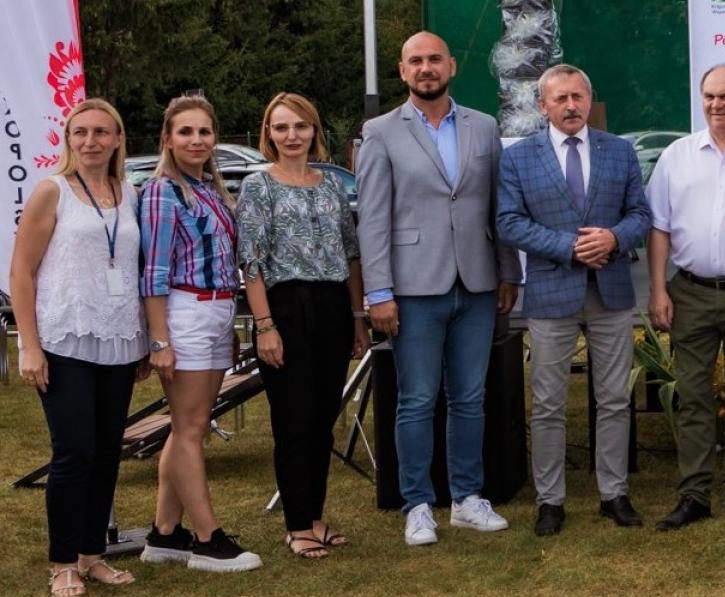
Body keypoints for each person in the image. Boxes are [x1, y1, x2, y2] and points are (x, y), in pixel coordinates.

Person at [357, 31, 522, 546]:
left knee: (470, 397)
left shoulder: (484, 126)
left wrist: (507, 271)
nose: (426, 68)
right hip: (412, 287)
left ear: (451, 65)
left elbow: (500, 207)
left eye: (434, 59)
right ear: (403, 71)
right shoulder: (381, 131)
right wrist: (378, 291)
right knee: (417, 399)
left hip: (475, 283)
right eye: (415, 61)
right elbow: (373, 220)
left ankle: (469, 498)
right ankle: (418, 504)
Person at [496, 64, 652, 537]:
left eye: (578, 97)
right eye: (560, 98)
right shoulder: (519, 158)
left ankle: (614, 493)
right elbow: (509, 222)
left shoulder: (620, 151)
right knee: (546, 403)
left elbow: (641, 215)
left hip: (611, 291)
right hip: (550, 291)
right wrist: (569, 246)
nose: (570, 106)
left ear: (589, 100)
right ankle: (551, 500)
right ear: (542, 105)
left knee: (613, 398)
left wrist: (611, 237)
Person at [13, 99, 146, 597]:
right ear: (68, 139)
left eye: (101, 133)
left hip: (117, 338)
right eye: (80, 132)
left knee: (108, 452)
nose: (90, 141)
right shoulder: (52, 191)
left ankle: (93, 553)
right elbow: (21, 273)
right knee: (74, 451)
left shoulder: (127, 192)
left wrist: (140, 340)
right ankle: (62, 560)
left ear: (117, 139)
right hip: (65, 336)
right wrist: (30, 346)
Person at [236, 93, 370, 559]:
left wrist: (358, 319)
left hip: (334, 305)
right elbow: (250, 261)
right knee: (292, 420)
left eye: (300, 126)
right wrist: (265, 325)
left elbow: (351, 256)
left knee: (322, 419)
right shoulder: (259, 187)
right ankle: (296, 525)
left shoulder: (332, 186)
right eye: (281, 127)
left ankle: (315, 516)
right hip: (285, 306)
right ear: (268, 134)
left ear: (314, 130)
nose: (291, 135)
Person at [135, 94, 261, 572]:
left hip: (215, 311)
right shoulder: (163, 192)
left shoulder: (208, 188)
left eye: (204, 132)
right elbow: (153, 271)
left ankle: (164, 534)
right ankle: (208, 541)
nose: (196, 140)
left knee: (190, 429)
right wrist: (160, 339)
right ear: (167, 138)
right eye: (185, 132)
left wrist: (227, 322)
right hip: (183, 311)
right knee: (188, 430)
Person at [648, 64, 725, 530]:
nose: (716, 104)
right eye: (709, 96)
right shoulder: (677, 156)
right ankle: (694, 494)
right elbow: (658, 226)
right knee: (694, 397)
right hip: (691, 292)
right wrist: (659, 288)